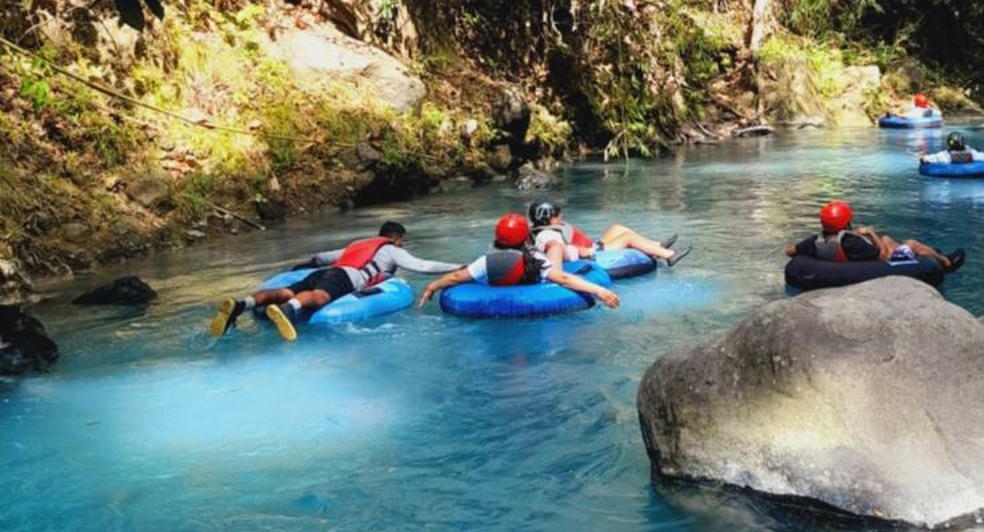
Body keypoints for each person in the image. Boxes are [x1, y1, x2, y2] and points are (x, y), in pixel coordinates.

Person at [209, 220, 455, 341]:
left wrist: (301, 267)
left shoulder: (358, 245)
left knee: (285, 290)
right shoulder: (391, 249)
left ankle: (241, 305)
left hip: (323, 272)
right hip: (345, 278)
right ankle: (288, 310)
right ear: (396, 238)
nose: (402, 245)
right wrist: (460, 267)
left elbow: (322, 257)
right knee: (319, 297)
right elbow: (423, 266)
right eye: (402, 240)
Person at [419, 212, 621, 311]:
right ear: (526, 238)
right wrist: (599, 291)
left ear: (497, 237)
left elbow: (456, 277)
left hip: (490, 310)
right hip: (538, 305)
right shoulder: (533, 258)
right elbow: (563, 279)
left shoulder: (486, 261)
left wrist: (432, 286)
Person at [788, 200, 964, 272]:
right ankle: (945, 262)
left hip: (844, 260)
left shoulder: (814, 242)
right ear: (845, 222)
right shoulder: (851, 242)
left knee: (887, 238)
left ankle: (927, 252)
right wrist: (870, 233)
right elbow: (883, 256)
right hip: (873, 264)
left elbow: (790, 251)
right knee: (911, 243)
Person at [527, 199, 689, 268]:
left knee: (617, 228)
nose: (560, 217)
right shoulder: (548, 236)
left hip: (592, 246)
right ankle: (669, 255)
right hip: (591, 254)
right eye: (557, 215)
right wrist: (589, 251)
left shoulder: (547, 230)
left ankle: (656, 246)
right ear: (548, 218)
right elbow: (563, 251)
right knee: (628, 238)